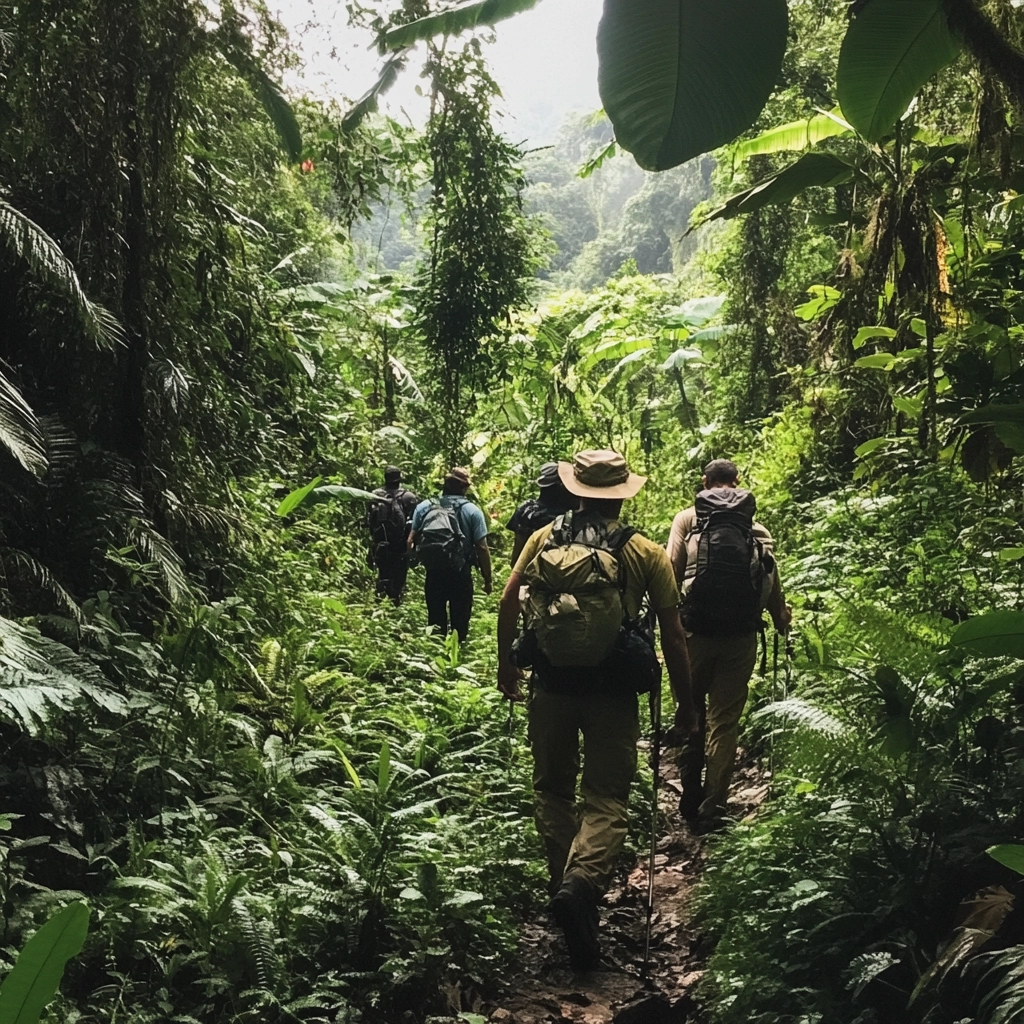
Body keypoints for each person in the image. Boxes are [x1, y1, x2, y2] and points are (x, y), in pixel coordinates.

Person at [496, 449, 696, 972]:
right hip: (612, 692)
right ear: (622, 494)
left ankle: (567, 887)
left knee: (552, 790)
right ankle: (582, 885)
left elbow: (508, 600)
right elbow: (674, 636)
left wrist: (506, 668)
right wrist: (687, 707)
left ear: (575, 489)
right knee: (606, 796)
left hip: (551, 687)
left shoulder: (544, 539)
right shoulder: (644, 552)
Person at [666, 458, 791, 833]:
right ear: (737, 483)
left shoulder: (686, 520)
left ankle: (689, 789)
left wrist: (667, 620)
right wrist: (780, 620)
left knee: (691, 709)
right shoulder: (756, 528)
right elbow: (770, 581)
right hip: (740, 636)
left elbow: (671, 570)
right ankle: (714, 805)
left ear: (704, 483)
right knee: (725, 721)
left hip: (694, 634)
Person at [409, 467, 493, 642]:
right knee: (460, 619)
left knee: (435, 618)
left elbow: (410, 540)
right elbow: (482, 548)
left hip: (434, 571)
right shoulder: (473, 511)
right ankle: (456, 655)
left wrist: (416, 560)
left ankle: (436, 656)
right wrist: (487, 579)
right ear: (464, 488)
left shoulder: (424, 507)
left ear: (444, 485)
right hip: (460, 573)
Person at [505, 462, 580, 566]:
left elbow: (517, 554)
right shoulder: (564, 518)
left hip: (524, 570)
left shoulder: (526, 510)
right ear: (559, 486)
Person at [365, 466, 420, 606]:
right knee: (399, 577)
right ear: (400, 478)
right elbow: (414, 524)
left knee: (383, 574)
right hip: (401, 545)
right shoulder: (409, 497)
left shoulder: (374, 495)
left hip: (380, 543)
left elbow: (369, 521)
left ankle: (378, 604)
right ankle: (395, 605)